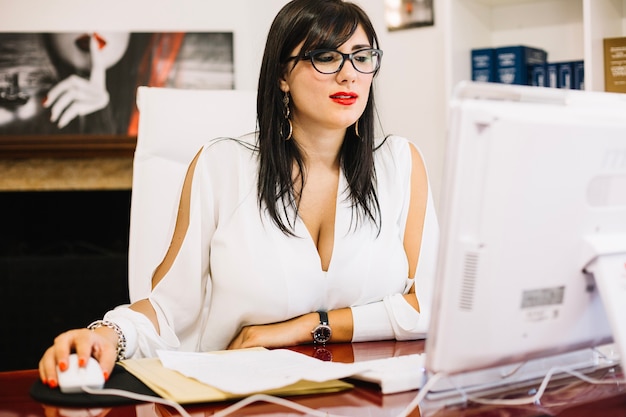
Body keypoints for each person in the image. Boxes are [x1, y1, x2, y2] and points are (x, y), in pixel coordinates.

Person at [38, 0, 439, 388]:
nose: (349, 74)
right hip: (245, 395)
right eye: (326, 56)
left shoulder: (400, 164)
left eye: (361, 56)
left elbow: (430, 308)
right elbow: (168, 307)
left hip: (369, 397)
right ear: (283, 75)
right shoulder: (222, 165)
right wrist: (107, 335)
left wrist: (305, 328)